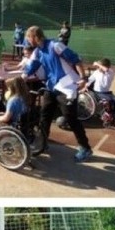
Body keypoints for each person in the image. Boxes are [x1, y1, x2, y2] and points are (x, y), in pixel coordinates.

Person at [22, 25, 93, 162]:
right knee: (45, 115)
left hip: (67, 87)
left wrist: (83, 79)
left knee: (70, 118)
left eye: (29, 38)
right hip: (51, 86)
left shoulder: (56, 45)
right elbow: (32, 66)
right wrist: (24, 75)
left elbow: (76, 60)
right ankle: (43, 143)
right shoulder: (37, 52)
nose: (28, 41)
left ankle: (85, 148)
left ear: (35, 37)